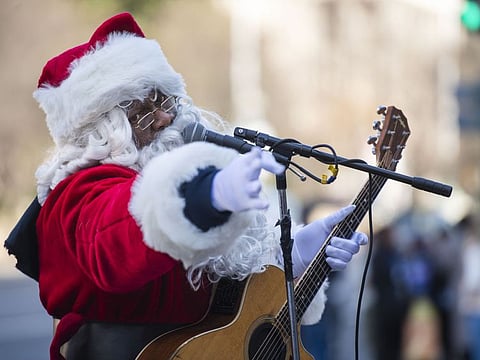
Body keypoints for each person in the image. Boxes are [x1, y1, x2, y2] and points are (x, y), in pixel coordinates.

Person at [16, 12, 367, 360]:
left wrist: (294, 254)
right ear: (105, 128)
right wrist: (199, 197)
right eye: (144, 111)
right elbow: (118, 235)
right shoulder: (79, 190)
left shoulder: (145, 172)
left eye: (165, 100)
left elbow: (217, 302)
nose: (167, 118)